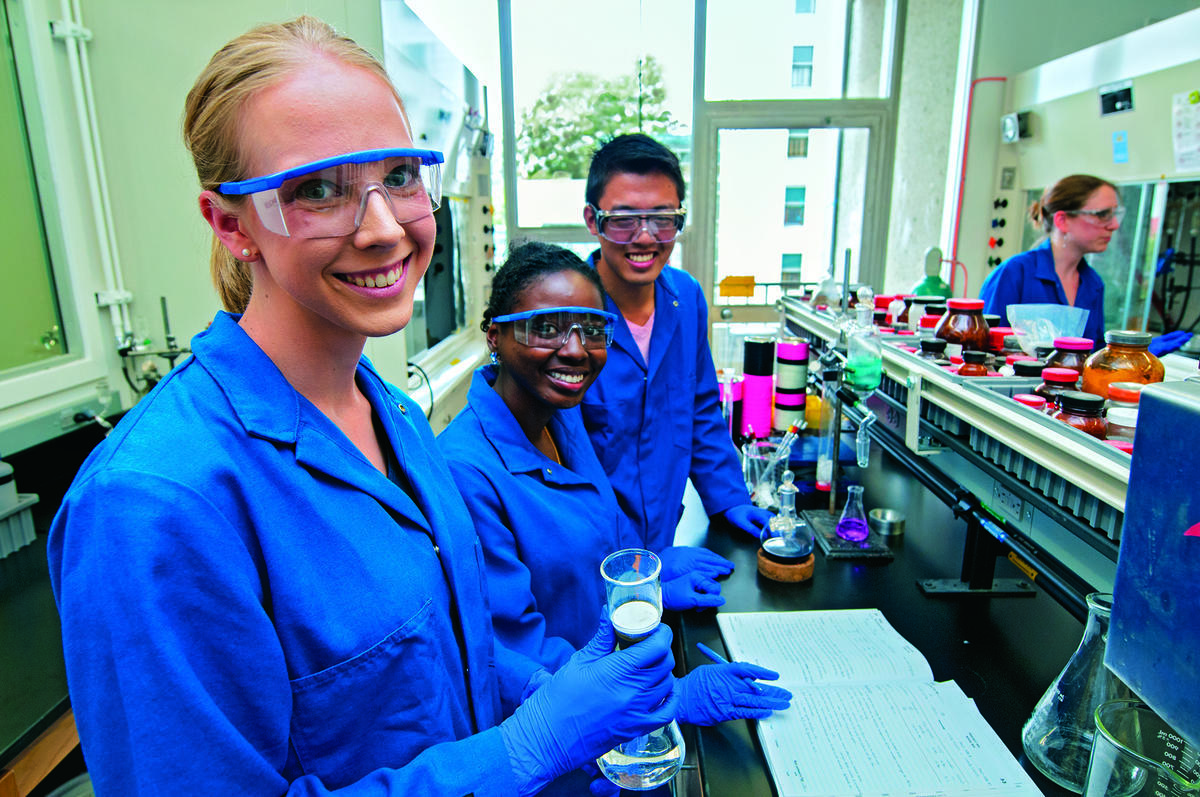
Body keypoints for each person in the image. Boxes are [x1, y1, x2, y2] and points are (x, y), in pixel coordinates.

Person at [46, 17, 677, 796]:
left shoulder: (398, 421)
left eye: (402, 178)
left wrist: (574, 703)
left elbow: (443, 666)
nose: (384, 229)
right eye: (317, 189)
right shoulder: (153, 504)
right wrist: (518, 752)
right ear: (231, 222)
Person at [437, 241, 792, 792]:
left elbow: (599, 535)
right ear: (495, 336)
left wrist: (646, 576)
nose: (576, 350)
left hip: (612, 700)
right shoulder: (468, 471)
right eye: (545, 328)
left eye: (592, 328)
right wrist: (668, 698)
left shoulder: (561, 418)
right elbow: (514, 656)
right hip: (558, 739)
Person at [579, 134, 773, 551]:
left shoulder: (685, 299)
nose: (646, 237)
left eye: (663, 217)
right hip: (591, 560)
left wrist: (729, 498)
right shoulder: (565, 314)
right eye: (625, 218)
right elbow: (552, 471)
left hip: (664, 538)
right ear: (593, 221)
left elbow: (701, 409)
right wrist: (639, 571)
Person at [980, 174, 1117, 347]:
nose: (1114, 225)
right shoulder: (1014, 274)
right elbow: (982, 352)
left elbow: (1094, 357)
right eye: (1102, 214)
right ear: (1062, 220)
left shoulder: (1093, 284)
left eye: (1114, 214)